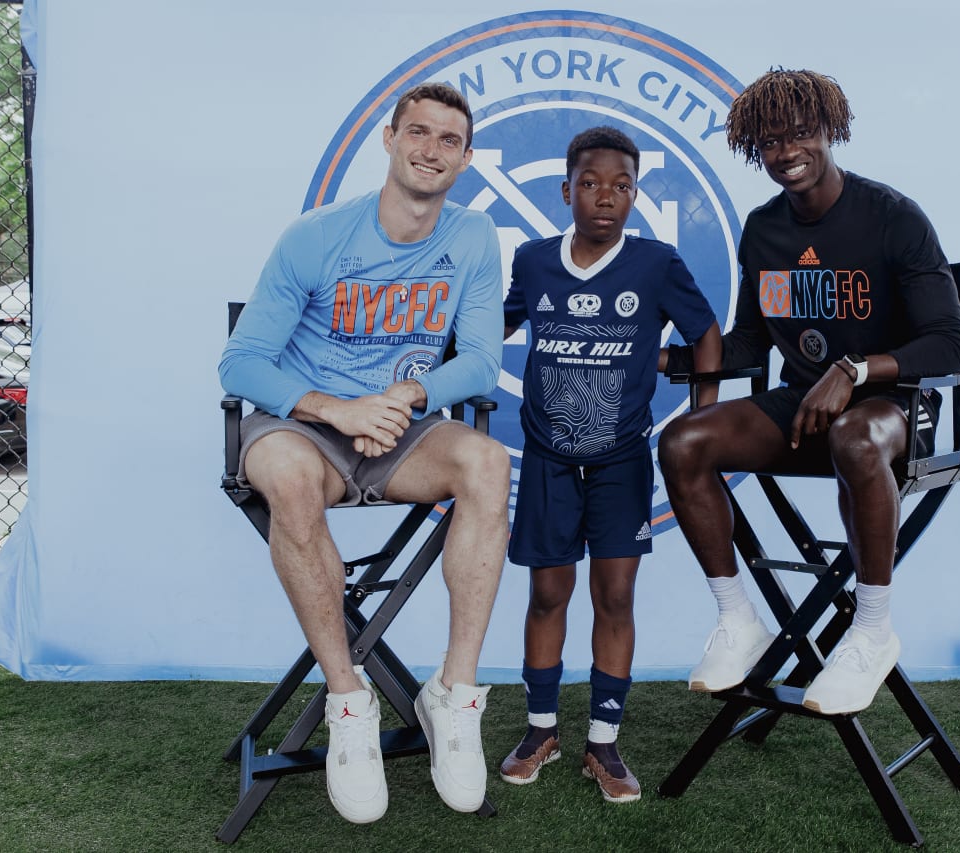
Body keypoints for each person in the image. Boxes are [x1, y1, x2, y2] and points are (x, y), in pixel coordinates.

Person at [218, 83, 510, 823]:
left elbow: (478, 362)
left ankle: (454, 694)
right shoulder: (316, 236)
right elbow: (242, 363)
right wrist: (338, 409)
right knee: (286, 474)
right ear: (388, 138)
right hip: (306, 432)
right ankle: (349, 698)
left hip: (400, 432)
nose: (431, 149)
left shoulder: (472, 238)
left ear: (467, 158)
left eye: (449, 140)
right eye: (418, 132)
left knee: (488, 461)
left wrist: (404, 397)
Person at [659, 69, 960, 715]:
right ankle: (738, 619)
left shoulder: (892, 217)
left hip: (901, 411)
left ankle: (872, 627)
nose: (786, 151)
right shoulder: (765, 231)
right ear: (754, 150)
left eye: (800, 133)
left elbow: (948, 345)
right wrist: (661, 357)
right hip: (807, 414)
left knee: (855, 436)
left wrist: (855, 368)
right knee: (683, 440)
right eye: (770, 141)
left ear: (830, 130)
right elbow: (747, 344)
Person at [498, 126, 721, 802]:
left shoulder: (654, 263)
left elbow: (704, 333)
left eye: (621, 186)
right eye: (591, 184)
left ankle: (603, 740)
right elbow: (497, 323)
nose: (605, 197)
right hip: (547, 457)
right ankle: (541, 729)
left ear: (635, 194)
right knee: (546, 594)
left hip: (622, 457)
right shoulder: (535, 262)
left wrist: (702, 416)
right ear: (567, 190)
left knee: (615, 595)